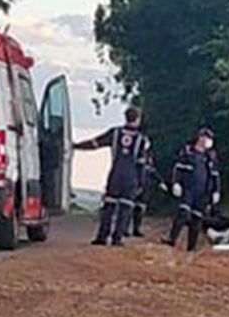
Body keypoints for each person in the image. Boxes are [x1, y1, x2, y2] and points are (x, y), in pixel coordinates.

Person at [75, 106, 152, 246]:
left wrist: (76, 146)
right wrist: (141, 182)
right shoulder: (142, 140)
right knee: (125, 207)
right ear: (138, 119)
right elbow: (141, 163)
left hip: (115, 173)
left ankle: (102, 236)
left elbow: (95, 143)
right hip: (131, 176)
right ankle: (118, 238)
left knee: (109, 205)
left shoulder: (115, 133)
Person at [162, 127, 220, 253]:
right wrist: (176, 183)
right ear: (200, 138)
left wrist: (216, 191)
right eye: (207, 138)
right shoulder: (188, 151)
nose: (209, 141)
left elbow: (215, 175)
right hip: (188, 188)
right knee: (183, 213)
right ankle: (172, 239)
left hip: (203, 192)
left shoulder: (210, 156)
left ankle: (191, 247)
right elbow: (178, 168)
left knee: (197, 219)